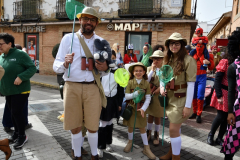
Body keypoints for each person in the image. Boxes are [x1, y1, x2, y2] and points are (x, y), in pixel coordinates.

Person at [53, 7, 109, 160]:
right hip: (72, 86)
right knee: (75, 125)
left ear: (96, 23)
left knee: (92, 125)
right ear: (80, 20)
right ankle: (77, 155)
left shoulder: (102, 42)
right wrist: (64, 63)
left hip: (93, 87)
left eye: (92, 19)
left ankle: (94, 155)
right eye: (85, 19)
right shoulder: (67, 39)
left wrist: (105, 67)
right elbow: (55, 66)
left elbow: (107, 69)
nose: (88, 22)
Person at [159, 33, 197, 160]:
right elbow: (162, 77)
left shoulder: (188, 60)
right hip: (170, 98)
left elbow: (191, 85)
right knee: (175, 130)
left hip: (181, 99)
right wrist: (162, 87)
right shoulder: (168, 60)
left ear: (181, 45)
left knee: (173, 129)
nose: (174, 46)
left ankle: (176, 158)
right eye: (171, 43)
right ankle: (171, 153)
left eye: (177, 43)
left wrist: (187, 106)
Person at [0, 33, 37, 149]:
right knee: (12, 113)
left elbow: (32, 68)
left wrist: (21, 77)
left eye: (1, 44)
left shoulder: (20, 54)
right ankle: (16, 133)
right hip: (8, 90)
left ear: (9, 44)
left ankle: (22, 136)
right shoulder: (2, 56)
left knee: (17, 113)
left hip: (21, 90)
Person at [123, 62, 156, 159]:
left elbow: (148, 98)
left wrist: (143, 109)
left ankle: (146, 148)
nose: (138, 72)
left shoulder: (146, 83)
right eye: (136, 71)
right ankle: (130, 142)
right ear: (133, 72)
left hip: (141, 108)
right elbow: (126, 95)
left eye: (140, 71)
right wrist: (134, 94)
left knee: (142, 128)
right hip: (131, 108)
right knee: (130, 126)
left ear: (144, 72)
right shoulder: (129, 82)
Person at [2, 44, 32, 133]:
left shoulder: (13, 57)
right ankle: (22, 128)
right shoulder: (5, 57)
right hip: (15, 90)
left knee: (11, 108)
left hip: (14, 89)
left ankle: (8, 125)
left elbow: (31, 68)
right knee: (19, 109)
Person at [220, 30, 240, 160]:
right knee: (232, 143)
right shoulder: (234, 67)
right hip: (238, 110)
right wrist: (230, 112)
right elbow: (231, 91)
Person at [207, 51, 233, 146]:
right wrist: (219, 95)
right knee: (220, 116)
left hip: (231, 94)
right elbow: (217, 79)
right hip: (222, 92)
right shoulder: (225, 61)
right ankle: (210, 135)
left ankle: (219, 138)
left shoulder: (236, 62)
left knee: (227, 117)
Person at [97, 65, 124, 158]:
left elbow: (120, 89)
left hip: (113, 100)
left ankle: (108, 143)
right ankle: (100, 146)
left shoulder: (117, 72)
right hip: (102, 100)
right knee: (102, 123)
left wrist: (119, 103)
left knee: (110, 122)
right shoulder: (99, 71)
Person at [189, 28, 214, 123]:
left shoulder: (207, 54)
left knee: (200, 95)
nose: (199, 46)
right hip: (193, 76)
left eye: (201, 45)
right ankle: (194, 112)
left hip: (202, 76)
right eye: (197, 45)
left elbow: (211, 67)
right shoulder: (192, 54)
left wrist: (208, 63)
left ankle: (199, 114)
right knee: (193, 95)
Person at [146, 50, 164, 146]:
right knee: (150, 114)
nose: (155, 60)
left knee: (157, 115)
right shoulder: (149, 68)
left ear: (162, 59)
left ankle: (156, 134)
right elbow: (146, 81)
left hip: (158, 95)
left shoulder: (164, 69)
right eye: (154, 58)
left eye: (158, 58)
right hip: (150, 94)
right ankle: (148, 132)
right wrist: (152, 70)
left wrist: (160, 89)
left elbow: (165, 81)